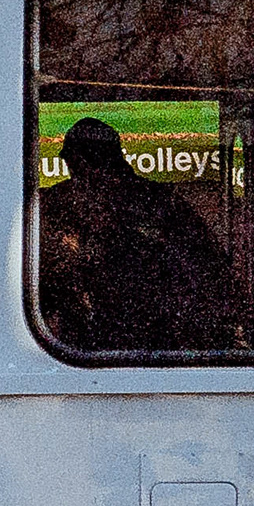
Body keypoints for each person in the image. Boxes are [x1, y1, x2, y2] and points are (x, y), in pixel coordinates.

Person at [41, 113, 233, 356]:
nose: (77, 180)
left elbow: (202, 268)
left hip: (149, 329)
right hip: (101, 335)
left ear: (85, 165)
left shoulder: (158, 203)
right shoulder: (160, 200)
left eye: (77, 169)